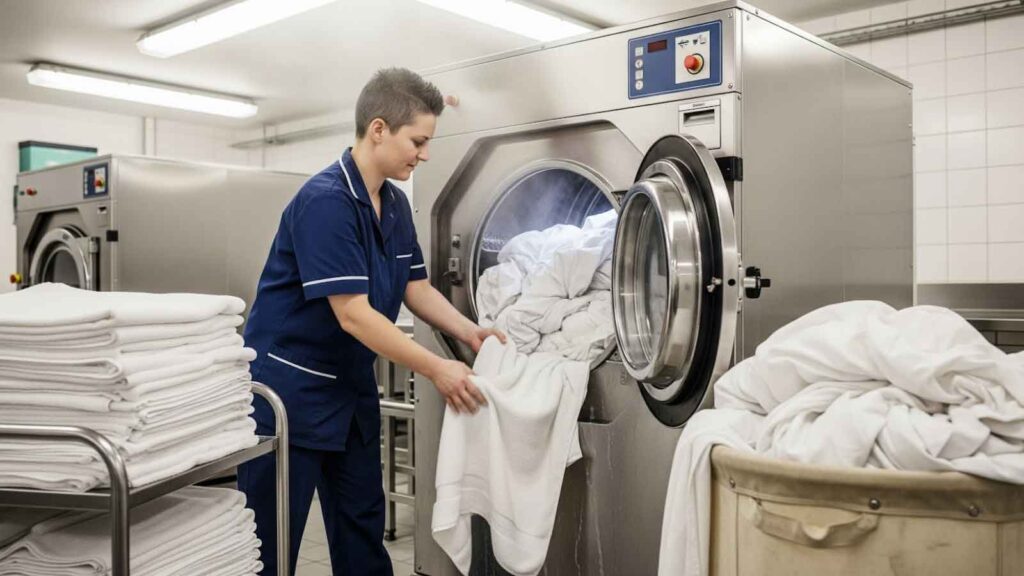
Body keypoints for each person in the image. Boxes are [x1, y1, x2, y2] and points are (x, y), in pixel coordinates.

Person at [238, 67, 505, 576]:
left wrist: (468, 331)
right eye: (418, 141)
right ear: (378, 129)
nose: (423, 154)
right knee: (269, 543)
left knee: (362, 529)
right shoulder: (325, 202)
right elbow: (355, 315)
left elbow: (416, 287)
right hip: (289, 394)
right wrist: (436, 369)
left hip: (350, 389)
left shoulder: (396, 204)